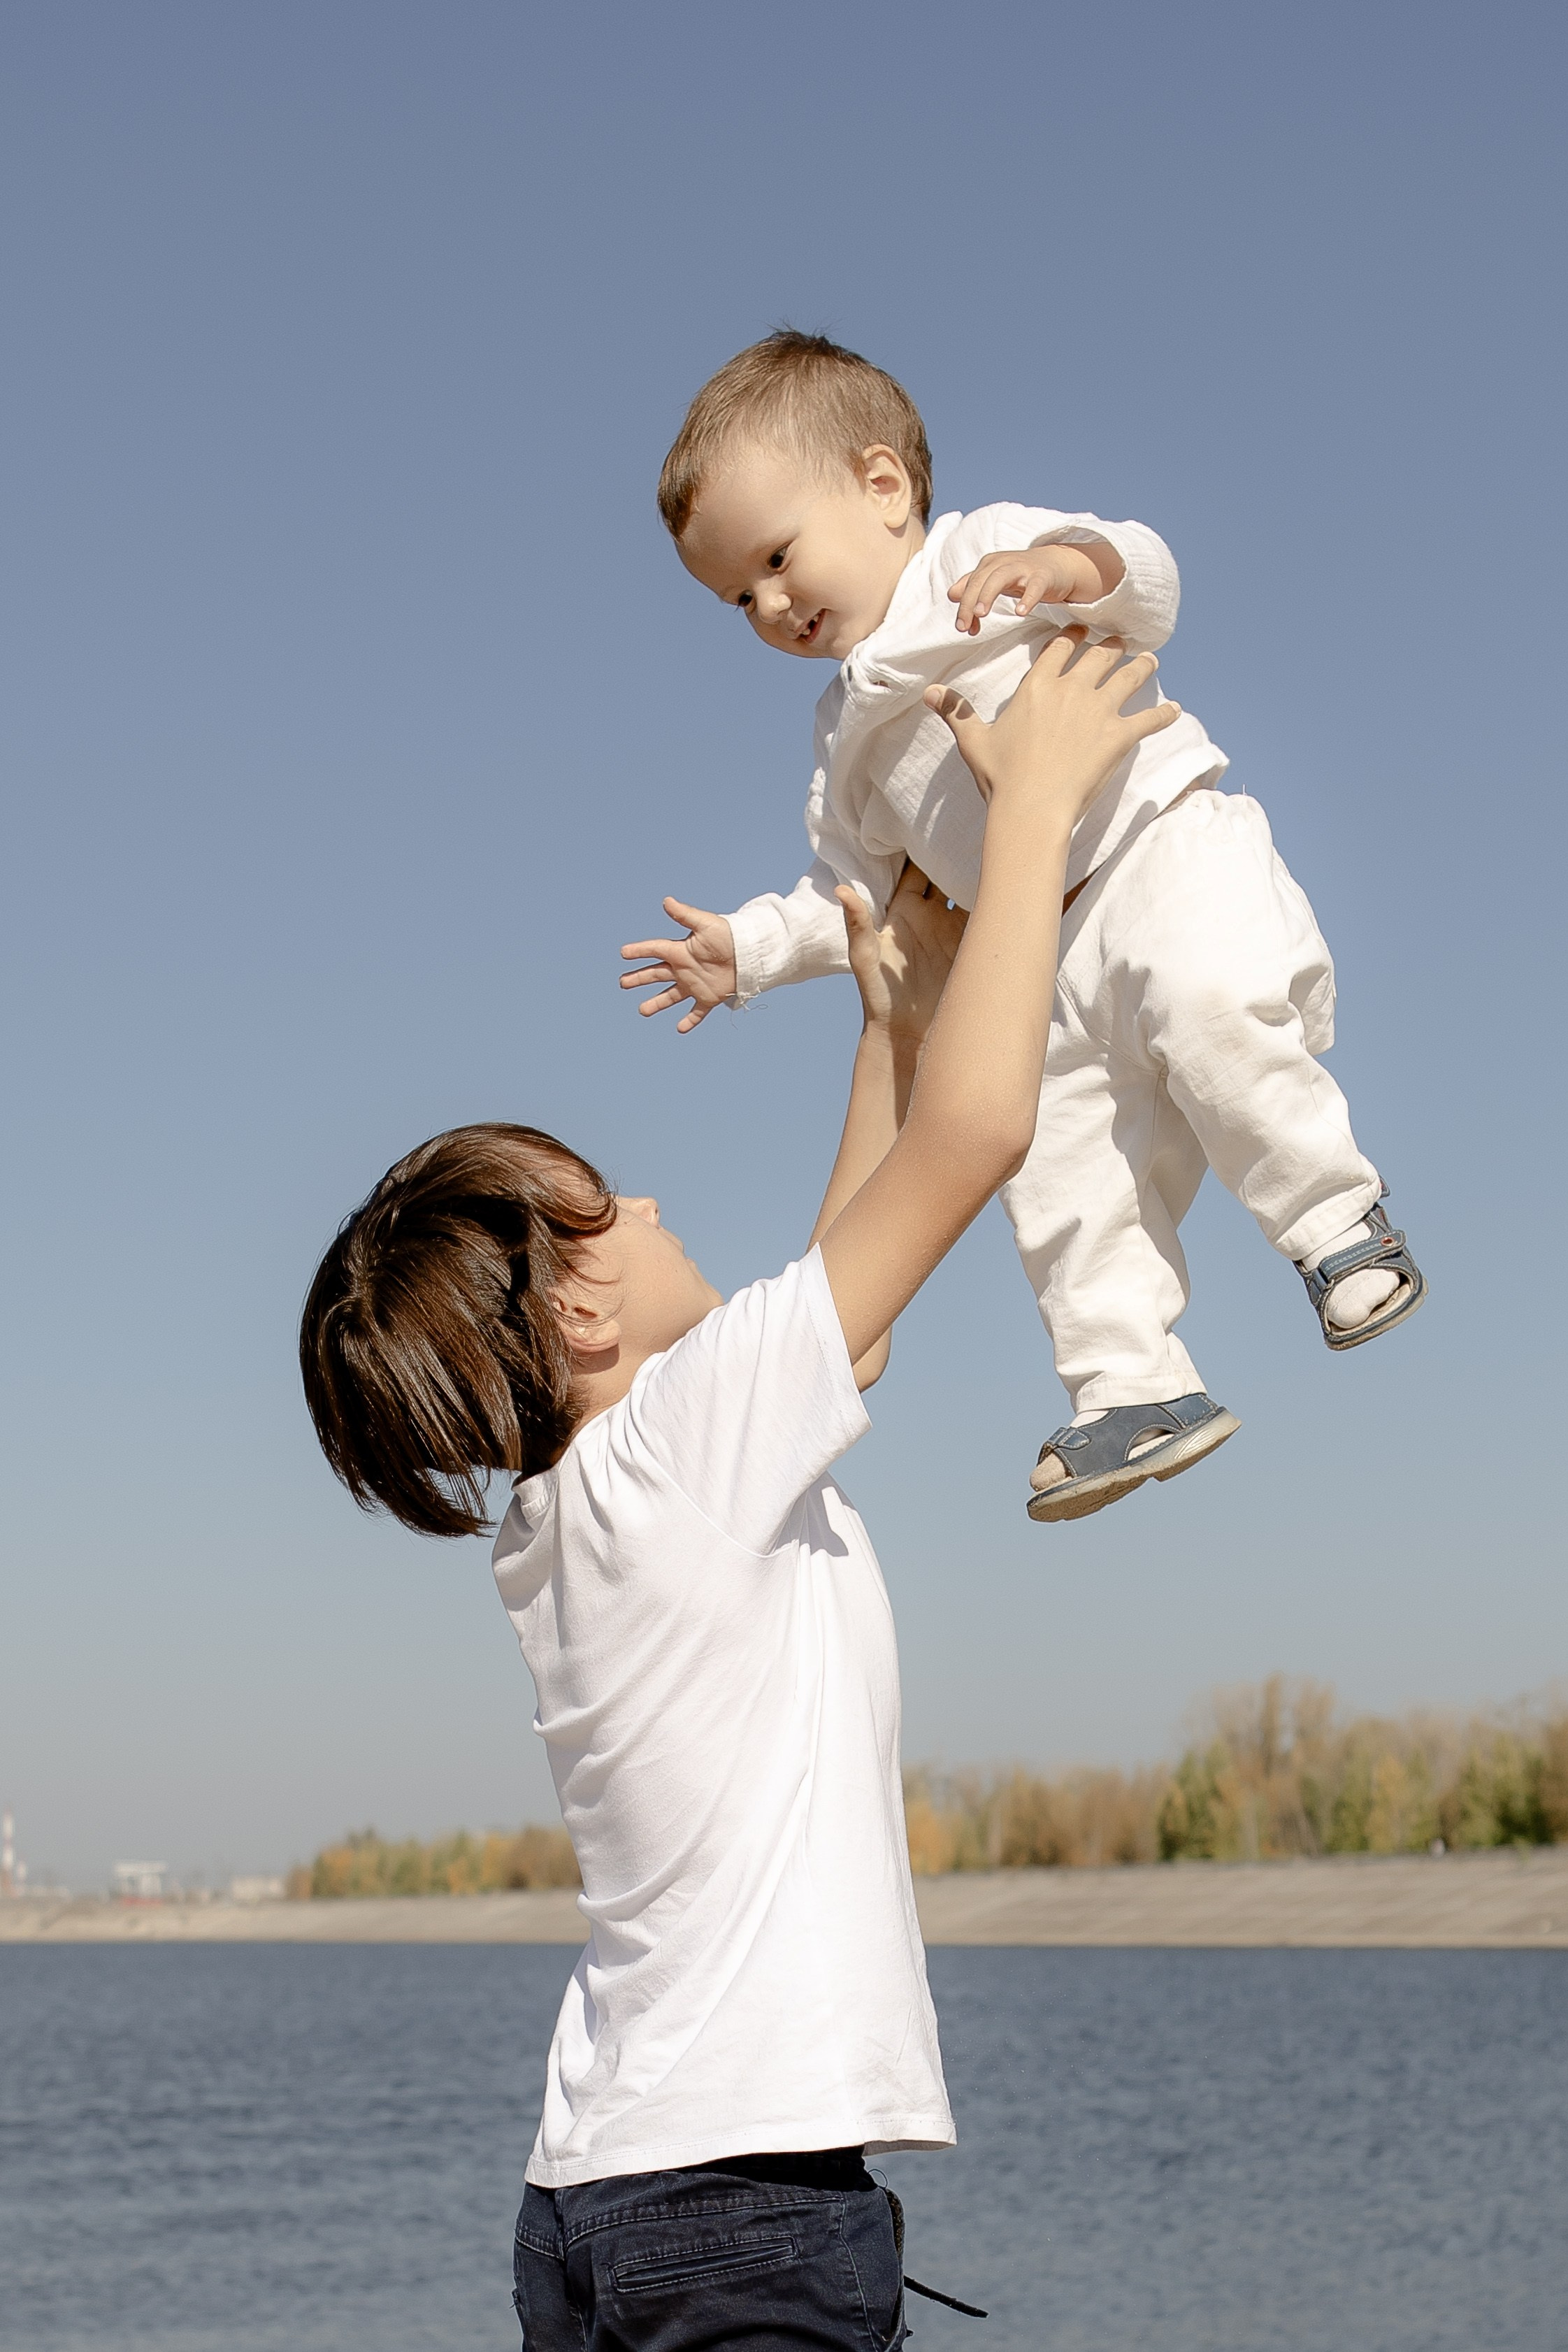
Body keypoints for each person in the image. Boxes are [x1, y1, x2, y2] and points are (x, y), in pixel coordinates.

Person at [299, 635, 1173, 2348]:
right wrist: (1037, 818)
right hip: (736, 2215)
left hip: (608, 2193)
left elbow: (857, 1288)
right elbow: (977, 1139)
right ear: (579, 1304)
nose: (653, 1203)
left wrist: (884, 1020)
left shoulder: (578, 1510)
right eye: (610, 1198)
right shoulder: (685, 1442)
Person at [623, 330, 1425, 1523]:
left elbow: (1147, 576)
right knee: (1050, 1167)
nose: (772, 604)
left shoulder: (984, 555)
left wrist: (1067, 565)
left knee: (1211, 1017)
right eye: (741, 595)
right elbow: (853, 902)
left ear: (883, 488)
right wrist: (743, 953)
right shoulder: (844, 740)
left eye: (778, 558)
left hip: (1161, 857)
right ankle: (1132, 1385)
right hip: (1040, 957)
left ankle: (1335, 1223)